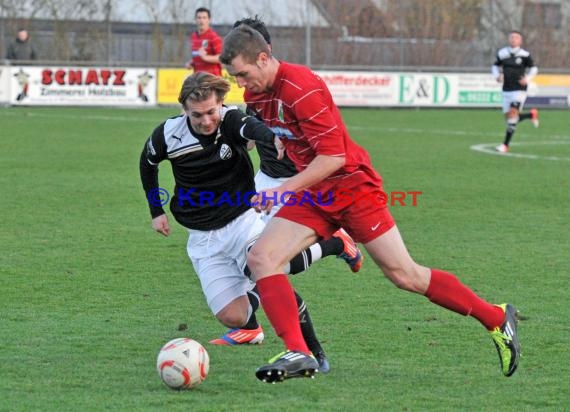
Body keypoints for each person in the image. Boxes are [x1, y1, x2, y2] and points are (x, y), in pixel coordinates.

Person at [220, 25, 522, 383]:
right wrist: (280, 144)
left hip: (351, 188)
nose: (241, 83)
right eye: (233, 77)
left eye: (243, 73)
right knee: (262, 258)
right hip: (316, 193)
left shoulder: (301, 88)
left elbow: (333, 157)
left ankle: (495, 317)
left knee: (405, 275)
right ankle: (299, 352)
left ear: (264, 58)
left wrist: (282, 189)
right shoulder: (257, 96)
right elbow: (285, 132)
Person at [139, 72, 363, 373]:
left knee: (271, 274)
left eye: (210, 112)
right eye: (196, 115)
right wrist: (156, 211)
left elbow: (250, 126)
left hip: (243, 223)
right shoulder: (168, 134)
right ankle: (333, 245)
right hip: (202, 239)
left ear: (220, 104)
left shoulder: (230, 121)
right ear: (184, 110)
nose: (206, 121)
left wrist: (270, 137)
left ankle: (312, 350)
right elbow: (148, 164)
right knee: (233, 314)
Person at [492, 30, 539, 153]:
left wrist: (527, 78)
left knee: (513, 114)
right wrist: (497, 76)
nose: (514, 39)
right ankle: (531, 115)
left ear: (520, 41)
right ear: (509, 39)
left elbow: (534, 68)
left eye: (516, 37)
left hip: (519, 89)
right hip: (506, 89)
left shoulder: (525, 55)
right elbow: (494, 66)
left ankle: (505, 145)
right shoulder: (502, 53)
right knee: (509, 118)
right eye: (512, 37)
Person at [185, 7, 223, 76]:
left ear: (209, 20)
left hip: (212, 80)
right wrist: (191, 63)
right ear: (195, 20)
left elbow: (221, 58)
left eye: (204, 18)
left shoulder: (214, 37)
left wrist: (205, 58)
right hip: (198, 79)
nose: (201, 20)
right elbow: (197, 55)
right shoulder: (193, 36)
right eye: (199, 18)